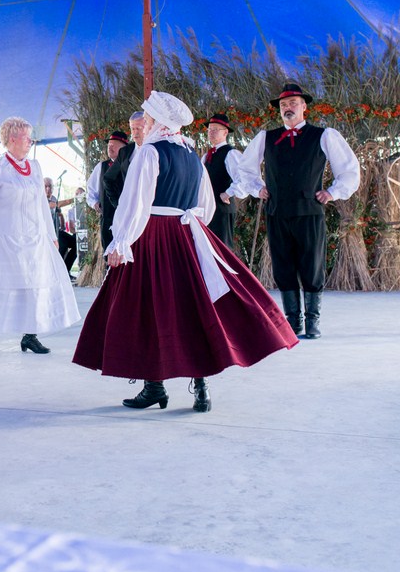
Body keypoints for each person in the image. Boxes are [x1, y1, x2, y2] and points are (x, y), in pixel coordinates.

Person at [72, 91, 298, 412]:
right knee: (190, 308)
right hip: (187, 234)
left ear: (158, 122)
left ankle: (155, 386)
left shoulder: (150, 153)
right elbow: (204, 205)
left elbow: (136, 201)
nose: (145, 122)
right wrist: (188, 228)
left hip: (152, 236)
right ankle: (198, 387)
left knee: (150, 308)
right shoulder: (192, 154)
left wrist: (121, 241)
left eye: (148, 118)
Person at [223, 83, 360, 339]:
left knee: (312, 265)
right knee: (283, 267)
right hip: (278, 212)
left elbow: (349, 170)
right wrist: (257, 188)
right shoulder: (266, 137)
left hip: (310, 211)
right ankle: (293, 323)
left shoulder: (323, 135)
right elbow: (245, 168)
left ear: (304, 107)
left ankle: (313, 322)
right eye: (283, 105)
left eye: (293, 103)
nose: (287, 108)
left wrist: (332, 192)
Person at [0, 117, 80, 354]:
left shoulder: (34, 167)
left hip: (33, 238)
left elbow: (42, 205)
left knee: (34, 287)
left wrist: (51, 234)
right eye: (26, 137)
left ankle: (30, 337)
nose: (30, 141)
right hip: (4, 237)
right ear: (12, 139)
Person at [101, 112, 147, 248]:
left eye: (139, 128)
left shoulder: (156, 149)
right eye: (133, 129)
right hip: (128, 212)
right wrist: (118, 204)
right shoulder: (126, 152)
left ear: (148, 127)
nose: (136, 132)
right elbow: (107, 179)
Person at [201, 113, 243, 251]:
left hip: (222, 211)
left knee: (223, 250)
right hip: (208, 211)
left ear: (225, 132)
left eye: (215, 129)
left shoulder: (231, 154)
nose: (211, 133)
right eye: (209, 130)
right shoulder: (207, 155)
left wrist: (228, 193)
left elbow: (242, 178)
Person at [86, 130, 129, 250]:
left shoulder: (131, 165)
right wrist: (94, 203)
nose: (110, 147)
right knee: (109, 253)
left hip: (127, 218)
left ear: (124, 147)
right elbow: (90, 190)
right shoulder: (101, 167)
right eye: (109, 145)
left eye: (114, 145)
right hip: (108, 219)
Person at [44, 177, 77, 276]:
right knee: (60, 248)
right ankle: (57, 273)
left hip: (56, 231)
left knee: (75, 243)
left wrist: (61, 218)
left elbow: (58, 212)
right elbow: (55, 205)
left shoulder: (54, 198)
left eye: (50, 186)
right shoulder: (40, 198)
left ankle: (65, 271)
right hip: (46, 233)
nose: (48, 189)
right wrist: (75, 199)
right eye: (45, 186)